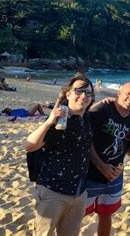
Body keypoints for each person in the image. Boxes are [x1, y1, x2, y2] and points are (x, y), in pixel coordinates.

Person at [24, 75, 94, 235]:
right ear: (68, 94)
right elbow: (29, 146)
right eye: (79, 91)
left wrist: (109, 101)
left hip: (79, 193)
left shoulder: (87, 118)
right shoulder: (59, 120)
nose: (83, 95)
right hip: (52, 192)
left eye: (88, 93)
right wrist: (49, 121)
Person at [85, 82, 130, 236]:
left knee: (106, 215)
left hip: (114, 177)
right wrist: (101, 166)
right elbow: (86, 139)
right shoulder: (103, 108)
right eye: (129, 93)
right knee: (77, 215)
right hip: (90, 174)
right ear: (119, 93)